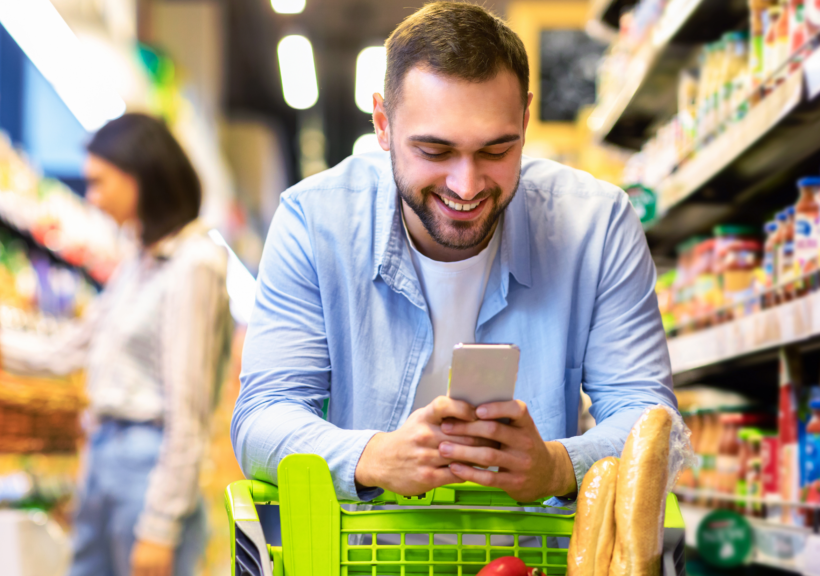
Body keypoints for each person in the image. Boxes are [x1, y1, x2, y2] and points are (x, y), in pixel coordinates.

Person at [231, 2, 676, 507]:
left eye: (496, 150)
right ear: (382, 123)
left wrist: (556, 467)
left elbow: (652, 421)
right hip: (364, 554)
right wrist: (375, 456)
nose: (466, 186)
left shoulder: (597, 224)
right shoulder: (314, 222)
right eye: (435, 151)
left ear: (525, 122)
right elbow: (262, 416)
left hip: (533, 556)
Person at [0, 113, 232, 576]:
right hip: (102, 455)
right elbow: (64, 352)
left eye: (100, 183)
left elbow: (189, 408)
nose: (93, 197)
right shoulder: (136, 266)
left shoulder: (194, 264)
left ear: (140, 175)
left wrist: (160, 524)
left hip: (148, 466)